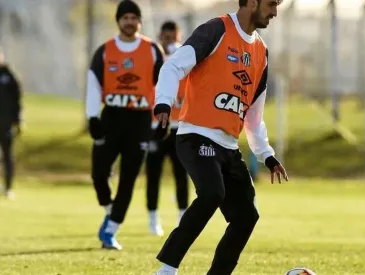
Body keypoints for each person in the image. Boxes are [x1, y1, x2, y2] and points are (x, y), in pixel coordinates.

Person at [152, 0, 288, 274]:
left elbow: (253, 115)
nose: (275, 12)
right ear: (252, 2)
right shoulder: (216, 30)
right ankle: (167, 269)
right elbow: (172, 66)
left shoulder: (261, 52)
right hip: (195, 136)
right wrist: (164, 102)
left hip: (228, 147)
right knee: (213, 193)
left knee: (246, 216)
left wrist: (267, 154)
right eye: (272, 4)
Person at [85, 0, 164, 250]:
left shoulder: (152, 50)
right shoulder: (105, 51)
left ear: (139, 21)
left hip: (140, 120)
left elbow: (164, 87)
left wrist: (162, 120)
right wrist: (92, 117)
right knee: (99, 173)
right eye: (125, 17)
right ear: (118, 21)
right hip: (111, 118)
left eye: (134, 17)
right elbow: (93, 82)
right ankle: (110, 210)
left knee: (128, 179)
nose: (129, 22)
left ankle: (110, 231)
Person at [145, 21, 189, 237]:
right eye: (166, 36)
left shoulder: (184, 55)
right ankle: (153, 218)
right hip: (156, 125)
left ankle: (183, 216)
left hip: (179, 125)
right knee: (153, 174)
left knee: (182, 173)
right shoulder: (154, 55)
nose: (169, 39)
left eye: (173, 36)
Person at [0, 46, 21, 200]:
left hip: (6, 124)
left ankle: (8, 187)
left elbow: (17, 100)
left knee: (8, 156)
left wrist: (18, 120)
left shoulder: (9, 76)